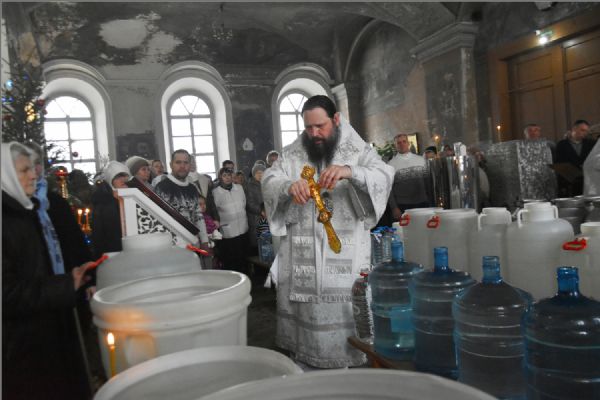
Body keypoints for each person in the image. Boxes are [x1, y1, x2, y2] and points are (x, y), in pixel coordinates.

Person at [262, 95, 394, 368]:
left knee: (346, 314)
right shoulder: (294, 152)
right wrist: (288, 186)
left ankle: (349, 362)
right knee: (306, 334)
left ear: (335, 119)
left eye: (320, 126)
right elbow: (270, 178)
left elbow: (384, 174)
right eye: (308, 127)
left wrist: (351, 171)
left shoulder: (356, 148)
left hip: (345, 252)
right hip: (303, 254)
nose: (314, 134)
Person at [2, 142, 93, 400]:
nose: (34, 174)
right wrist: (64, 286)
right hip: (21, 341)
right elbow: (6, 293)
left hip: (48, 323)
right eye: (24, 170)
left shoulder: (27, 211)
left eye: (34, 167)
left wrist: (73, 281)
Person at [155, 149, 209, 244]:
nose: (182, 166)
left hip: (193, 241)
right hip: (172, 244)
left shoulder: (192, 188)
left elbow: (198, 216)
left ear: (190, 165)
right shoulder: (161, 188)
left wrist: (205, 241)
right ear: (171, 165)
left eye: (186, 163)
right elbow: (158, 219)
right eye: (178, 162)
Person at [212, 167, 249, 273]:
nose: (227, 178)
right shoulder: (215, 192)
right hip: (228, 231)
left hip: (242, 228)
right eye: (224, 176)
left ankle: (246, 276)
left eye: (229, 175)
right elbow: (215, 210)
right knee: (231, 259)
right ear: (220, 177)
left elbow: (244, 203)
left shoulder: (239, 188)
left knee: (243, 257)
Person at [387, 133, 430, 222]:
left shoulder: (421, 160)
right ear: (395, 146)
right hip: (402, 206)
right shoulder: (390, 165)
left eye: (404, 141)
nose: (402, 144)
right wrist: (394, 208)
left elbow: (428, 183)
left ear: (408, 143)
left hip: (422, 204)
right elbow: (388, 189)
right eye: (399, 143)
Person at [91, 161, 130, 258]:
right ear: (110, 179)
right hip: (112, 253)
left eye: (125, 176)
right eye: (118, 176)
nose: (123, 179)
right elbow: (99, 236)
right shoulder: (103, 204)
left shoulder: (132, 198)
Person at [555, 119, 596, 196]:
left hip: (587, 181)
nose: (585, 133)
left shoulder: (591, 143)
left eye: (586, 131)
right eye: (582, 130)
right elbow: (559, 162)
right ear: (574, 129)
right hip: (569, 182)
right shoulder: (562, 144)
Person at [245, 162, 266, 254]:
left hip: (267, 217)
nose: (260, 175)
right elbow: (249, 204)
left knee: (267, 242)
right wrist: (261, 211)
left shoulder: (267, 184)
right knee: (257, 245)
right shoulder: (249, 186)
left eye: (262, 172)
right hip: (256, 218)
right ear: (253, 174)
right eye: (258, 173)